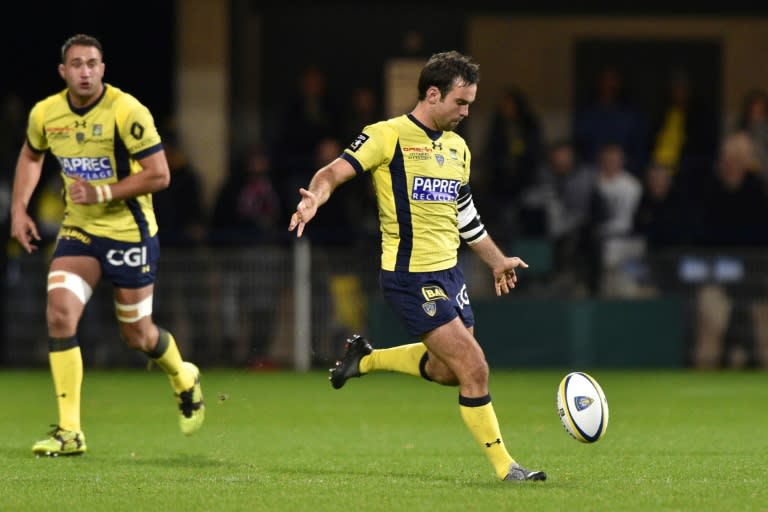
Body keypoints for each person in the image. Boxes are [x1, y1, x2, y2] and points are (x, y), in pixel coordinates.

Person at [287, 51, 546, 482]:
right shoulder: (388, 135)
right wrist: (315, 196)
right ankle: (508, 468)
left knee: (448, 371)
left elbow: (465, 214)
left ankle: (364, 360)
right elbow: (333, 172)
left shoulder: (458, 148)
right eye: (461, 103)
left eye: (470, 104)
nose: (466, 112)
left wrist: (497, 260)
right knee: (475, 367)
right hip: (410, 277)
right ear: (432, 93)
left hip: (450, 275)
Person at [9, 34, 205, 456]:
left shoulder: (127, 111)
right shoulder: (46, 113)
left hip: (129, 233)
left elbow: (159, 175)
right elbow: (30, 155)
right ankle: (70, 431)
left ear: (103, 68)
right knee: (60, 313)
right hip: (79, 232)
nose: (84, 71)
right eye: (76, 64)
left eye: (92, 63)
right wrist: (19, 210)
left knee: (138, 335)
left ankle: (183, 375)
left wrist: (101, 193)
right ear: (63, 72)